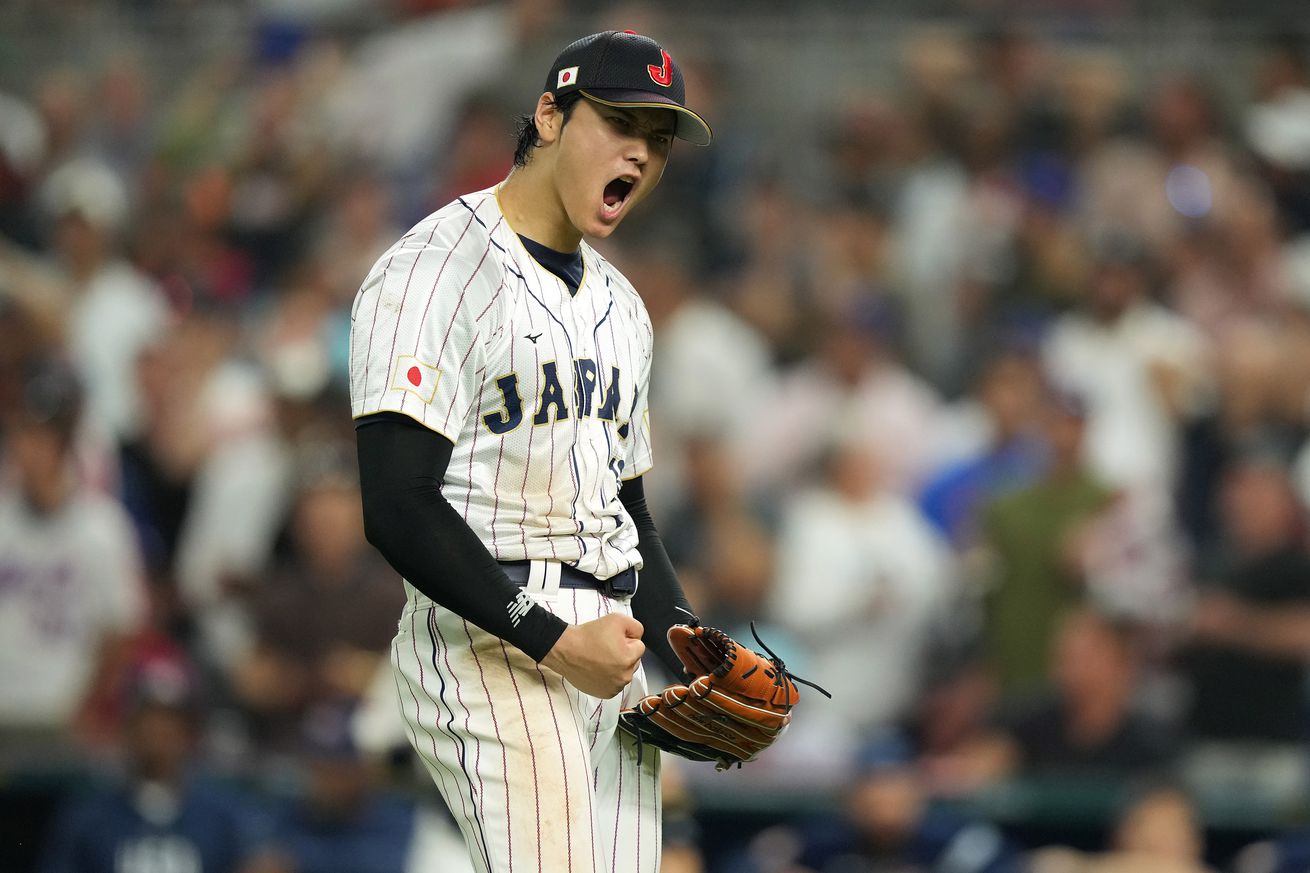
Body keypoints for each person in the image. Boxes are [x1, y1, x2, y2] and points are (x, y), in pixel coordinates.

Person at [348, 30, 710, 873]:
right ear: (549, 115)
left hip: (610, 644)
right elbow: (397, 503)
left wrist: (690, 646)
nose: (639, 154)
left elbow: (630, 512)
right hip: (489, 639)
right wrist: (547, 638)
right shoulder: (432, 270)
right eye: (619, 122)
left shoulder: (623, 307)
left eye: (656, 141)